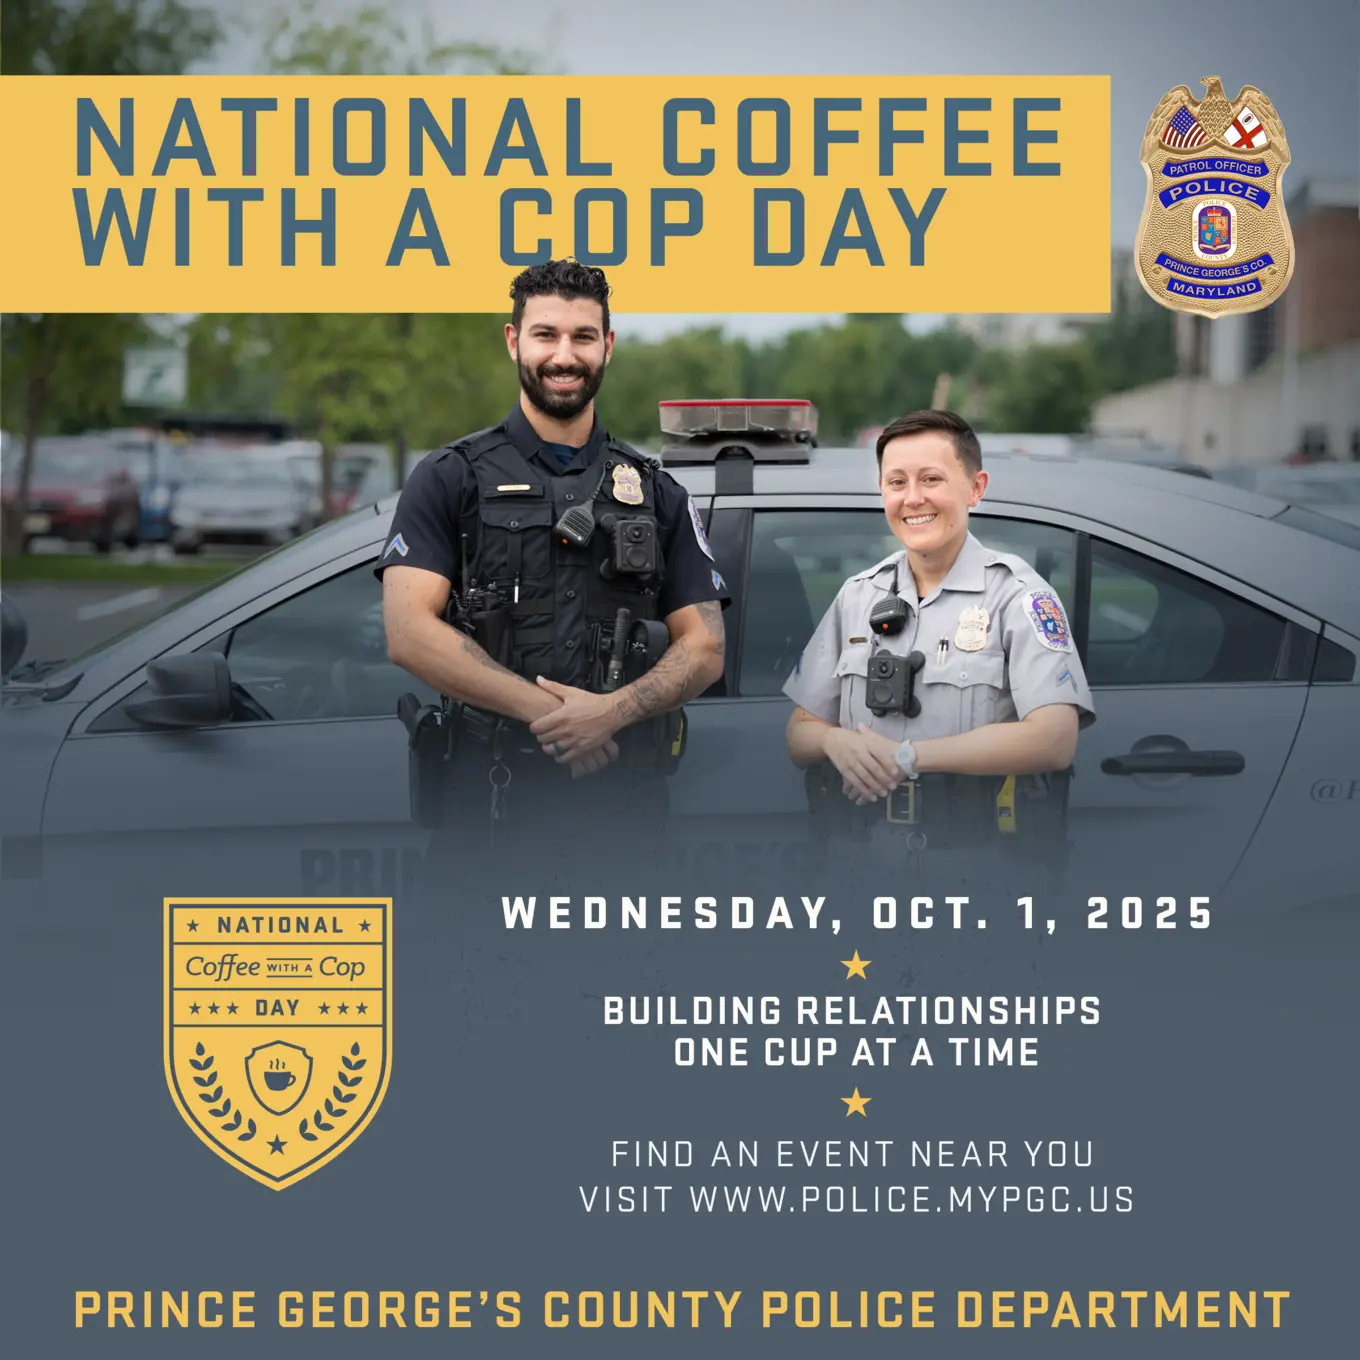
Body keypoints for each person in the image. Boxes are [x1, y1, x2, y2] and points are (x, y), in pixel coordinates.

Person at [377, 259, 728, 867]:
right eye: (546, 334)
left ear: (607, 347)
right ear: (515, 340)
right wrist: (556, 717)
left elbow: (705, 647)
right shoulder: (449, 478)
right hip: (486, 803)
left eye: (583, 337)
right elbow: (408, 632)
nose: (564, 355)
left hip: (623, 810)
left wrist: (611, 714)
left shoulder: (657, 492)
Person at [783, 409, 1094, 871]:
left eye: (931, 479)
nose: (913, 499)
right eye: (896, 482)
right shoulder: (857, 595)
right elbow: (799, 731)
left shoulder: (1018, 596)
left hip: (978, 867)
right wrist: (835, 744)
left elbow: (1055, 739)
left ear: (976, 488)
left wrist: (908, 757)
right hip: (861, 863)